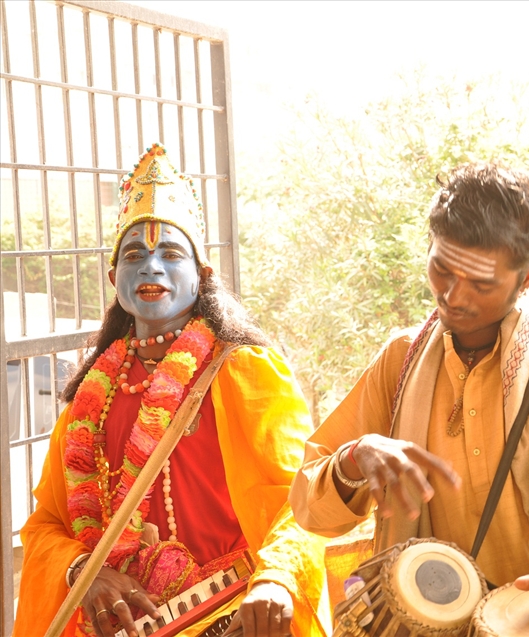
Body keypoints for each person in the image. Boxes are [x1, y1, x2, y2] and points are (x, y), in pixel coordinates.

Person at [289, 162, 529, 619]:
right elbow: (311, 511)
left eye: (481, 283)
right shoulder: (399, 361)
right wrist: (357, 456)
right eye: (442, 268)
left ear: (528, 277)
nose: (454, 296)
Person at [15, 143, 327, 637]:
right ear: (115, 277)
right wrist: (83, 572)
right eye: (134, 255)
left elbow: (301, 498)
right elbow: (46, 525)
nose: (151, 267)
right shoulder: (89, 397)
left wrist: (279, 578)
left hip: (231, 617)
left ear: (201, 277)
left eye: (171, 254)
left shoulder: (243, 370)